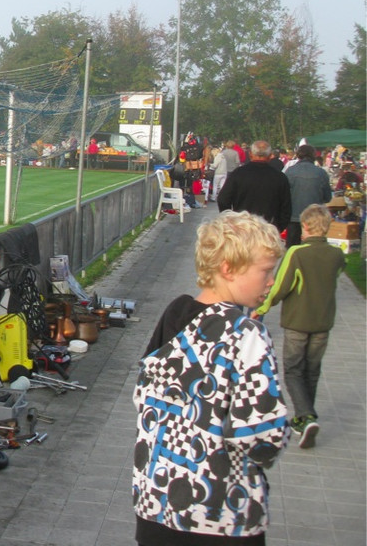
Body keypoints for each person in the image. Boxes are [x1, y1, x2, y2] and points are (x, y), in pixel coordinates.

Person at [133, 210, 289, 545]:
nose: (271, 281)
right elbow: (262, 434)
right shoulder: (247, 335)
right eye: (265, 271)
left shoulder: (174, 314)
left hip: (156, 502)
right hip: (219, 514)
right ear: (228, 269)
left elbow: (143, 394)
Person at [254, 204, 345, 449]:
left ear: (305, 227)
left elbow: (281, 286)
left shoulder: (296, 253)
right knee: (312, 370)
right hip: (323, 322)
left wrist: (262, 307)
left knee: (293, 370)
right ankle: (303, 419)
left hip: (298, 321)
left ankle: (307, 416)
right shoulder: (337, 255)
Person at [217, 140, 292, 232]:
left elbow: (223, 199)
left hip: (242, 227)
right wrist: (278, 228)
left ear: (250, 154)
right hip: (268, 229)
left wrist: (230, 220)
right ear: (270, 156)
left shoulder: (238, 174)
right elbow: (286, 207)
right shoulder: (280, 177)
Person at [283, 144, 332, 248]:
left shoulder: (290, 171)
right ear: (313, 155)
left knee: (292, 248)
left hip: (294, 216)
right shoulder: (321, 173)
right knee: (313, 247)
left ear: (298, 155)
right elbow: (328, 197)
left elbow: (284, 195)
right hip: (314, 217)